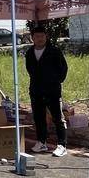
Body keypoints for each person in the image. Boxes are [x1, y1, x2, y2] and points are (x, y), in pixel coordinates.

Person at [25, 25, 68, 157]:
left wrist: (55, 81)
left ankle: (62, 145)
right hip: (36, 90)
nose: (40, 39)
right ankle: (41, 142)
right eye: (37, 36)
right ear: (32, 38)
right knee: (38, 118)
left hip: (52, 90)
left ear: (46, 37)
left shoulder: (54, 51)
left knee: (58, 118)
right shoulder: (29, 52)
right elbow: (29, 69)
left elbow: (63, 68)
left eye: (42, 36)